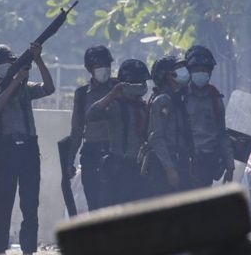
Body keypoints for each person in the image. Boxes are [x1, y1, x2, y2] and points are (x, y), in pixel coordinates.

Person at [0, 43, 54, 255]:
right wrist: (15, 82)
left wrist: (38, 59)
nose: (6, 68)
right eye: (2, 65)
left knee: (30, 204)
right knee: (3, 203)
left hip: (29, 149)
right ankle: (0, 251)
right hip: (6, 150)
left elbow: (49, 88)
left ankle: (28, 252)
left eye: (9, 64)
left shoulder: (25, 88)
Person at [86, 59, 151, 206]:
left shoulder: (144, 107)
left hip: (140, 168)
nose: (142, 86)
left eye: (143, 83)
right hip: (120, 167)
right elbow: (91, 115)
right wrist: (112, 94)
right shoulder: (116, 106)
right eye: (138, 83)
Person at [66, 46, 116, 211]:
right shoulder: (82, 94)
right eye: (99, 65)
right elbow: (77, 130)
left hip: (115, 152)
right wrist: (70, 160)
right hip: (92, 153)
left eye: (106, 64)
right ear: (90, 69)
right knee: (94, 204)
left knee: (112, 204)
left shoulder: (118, 88)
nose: (104, 68)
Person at [141, 56, 194, 195]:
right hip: (166, 165)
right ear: (165, 76)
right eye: (175, 70)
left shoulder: (178, 100)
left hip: (179, 162)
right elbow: (156, 138)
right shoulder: (163, 100)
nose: (182, 73)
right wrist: (170, 169)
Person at [184, 45, 234, 187]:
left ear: (210, 73)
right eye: (197, 70)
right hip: (185, 162)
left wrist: (230, 165)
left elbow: (222, 133)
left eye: (204, 70)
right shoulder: (181, 98)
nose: (201, 73)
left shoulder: (215, 99)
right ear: (189, 72)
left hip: (208, 162)